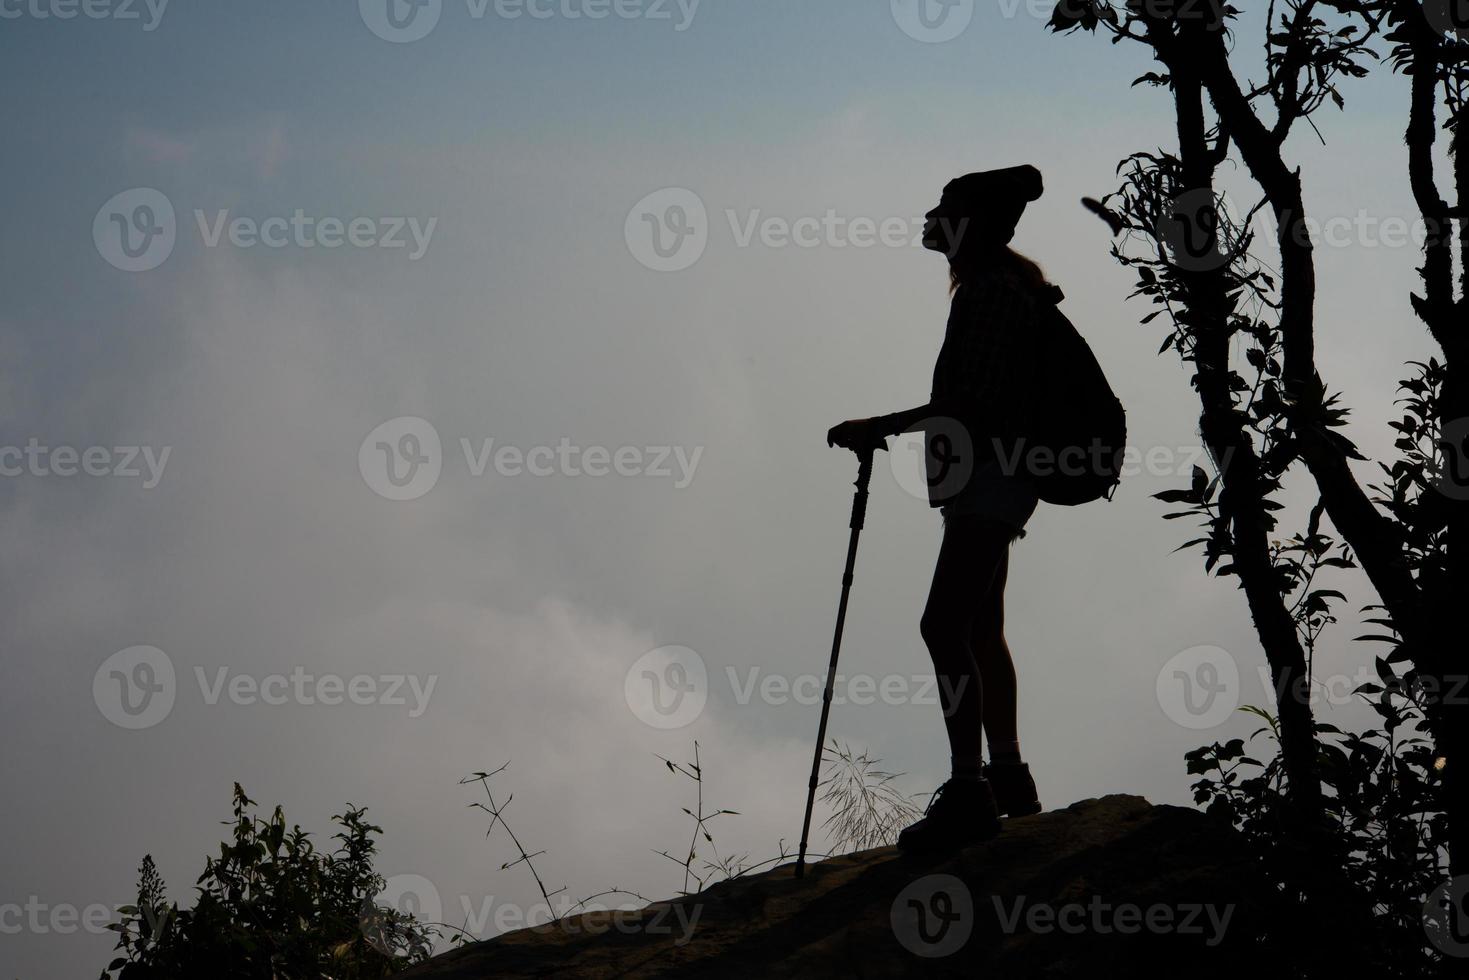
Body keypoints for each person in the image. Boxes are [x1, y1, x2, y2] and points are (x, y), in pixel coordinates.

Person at [826, 164, 1054, 853]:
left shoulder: (987, 291)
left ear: (972, 224)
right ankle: (1008, 779)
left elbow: (969, 404)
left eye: (944, 210)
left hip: (989, 477)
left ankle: (969, 790)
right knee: (981, 626)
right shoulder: (1002, 285)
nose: (931, 219)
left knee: (941, 624)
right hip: (997, 477)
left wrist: (880, 426)